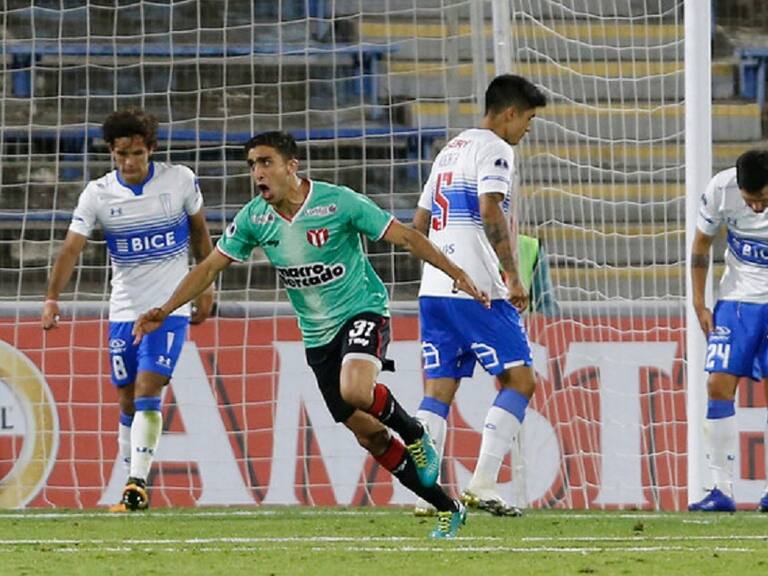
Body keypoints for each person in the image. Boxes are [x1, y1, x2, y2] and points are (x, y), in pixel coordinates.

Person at [133, 131, 490, 538]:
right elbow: (210, 267)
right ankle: (448, 506)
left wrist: (458, 273)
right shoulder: (255, 218)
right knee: (370, 436)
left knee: (357, 390)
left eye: (265, 162)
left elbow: (406, 236)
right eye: (252, 165)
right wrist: (165, 309)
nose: (258, 173)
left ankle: (415, 433)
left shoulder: (339, 202)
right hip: (317, 336)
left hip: (363, 310)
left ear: (291, 166)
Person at [41, 109, 214, 512]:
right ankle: (130, 483)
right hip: (123, 310)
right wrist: (52, 297)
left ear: (151, 149)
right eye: (121, 154)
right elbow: (71, 249)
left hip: (170, 307)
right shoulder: (98, 194)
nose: (129, 162)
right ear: (112, 153)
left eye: (137, 153)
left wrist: (205, 289)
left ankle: (137, 483)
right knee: (126, 400)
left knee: (148, 388)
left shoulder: (180, 180)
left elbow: (201, 234)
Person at [411, 74, 547, 517]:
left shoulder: (450, 149)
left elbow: (419, 222)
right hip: (477, 290)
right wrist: (511, 275)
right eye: (527, 119)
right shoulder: (495, 148)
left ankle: (425, 494)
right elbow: (490, 210)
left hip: (435, 287)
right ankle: (484, 481)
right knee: (521, 380)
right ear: (509, 113)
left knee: (439, 389)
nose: (527, 129)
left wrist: (441, 267)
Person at [688, 149, 768, 512]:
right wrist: (700, 302)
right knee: (718, 383)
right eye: (751, 201)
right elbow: (702, 243)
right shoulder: (721, 188)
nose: (756, 208)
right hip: (736, 301)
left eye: (763, 201)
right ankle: (721, 489)